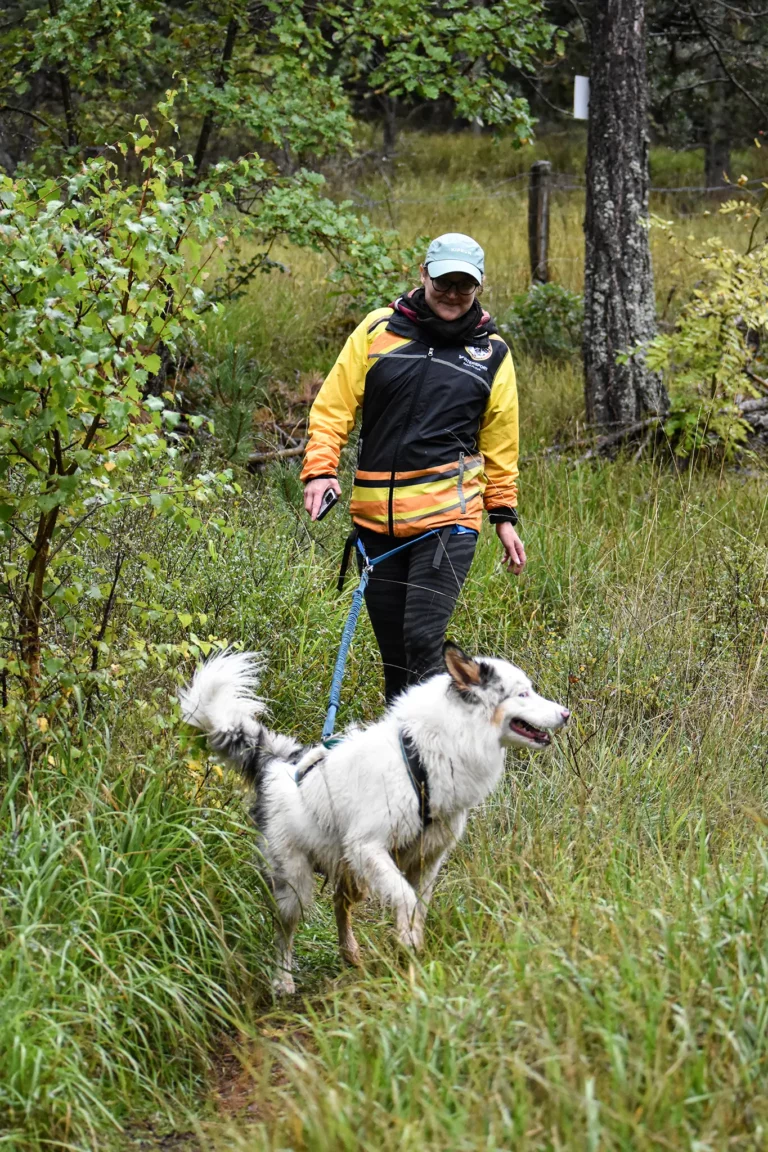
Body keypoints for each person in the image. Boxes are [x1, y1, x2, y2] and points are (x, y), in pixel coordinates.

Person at [302, 232, 525, 704]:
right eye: (443, 282)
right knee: (396, 658)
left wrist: (503, 515)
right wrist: (321, 469)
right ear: (423, 274)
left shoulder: (493, 354)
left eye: (464, 286)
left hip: (447, 522)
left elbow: (501, 442)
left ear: (479, 287)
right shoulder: (377, 330)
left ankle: (444, 756)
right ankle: (403, 762)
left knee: (424, 640)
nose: (451, 294)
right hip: (374, 524)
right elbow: (333, 406)